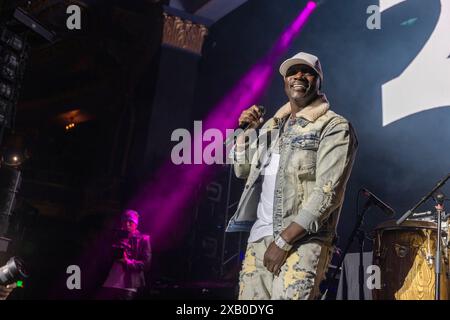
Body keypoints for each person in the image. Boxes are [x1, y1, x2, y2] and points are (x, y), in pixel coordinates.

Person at [227, 52, 358, 300]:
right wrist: (245, 134)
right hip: (259, 239)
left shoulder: (334, 126)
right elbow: (241, 170)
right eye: (292, 72)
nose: (298, 76)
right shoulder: (272, 127)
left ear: (319, 80)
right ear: (285, 81)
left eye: (306, 71)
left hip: (302, 241)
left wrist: (284, 241)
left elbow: (328, 193)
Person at [99, 209, 151, 300]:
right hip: (111, 281)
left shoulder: (144, 239)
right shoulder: (115, 236)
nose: (127, 224)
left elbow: (146, 264)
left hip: (128, 284)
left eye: (130, 221)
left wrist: (126, 261)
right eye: (124, 221)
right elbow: (104, 257)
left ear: (136, 223)